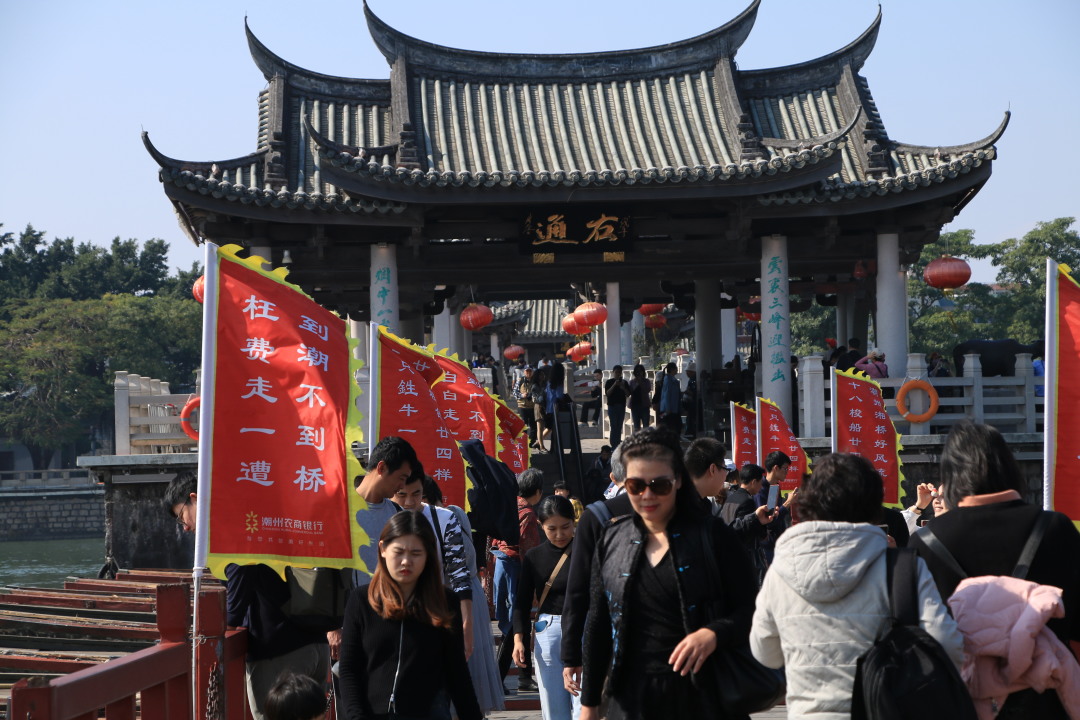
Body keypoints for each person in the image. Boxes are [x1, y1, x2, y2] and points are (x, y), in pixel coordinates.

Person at [750, 453, 963, 719]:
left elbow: (765, 653)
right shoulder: (902, 567)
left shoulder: (781, 569)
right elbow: (947, 644)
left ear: (811, 500)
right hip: (884, 709)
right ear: (874, 502)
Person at [579, 428, 758, 720]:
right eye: (636, 486)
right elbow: (597, 625)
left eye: (659, 485)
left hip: (703, 698)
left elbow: (752, 610)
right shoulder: (612, 539)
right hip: (631, 701)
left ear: (678, 481)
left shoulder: (713, 536)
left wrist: (714, 633)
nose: (647, 495)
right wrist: (588, 706)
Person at [910, 421, 1080, 718]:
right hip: (1044, 699)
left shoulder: (925, 541)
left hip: (957, 701)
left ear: (951, 475)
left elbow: (915, 636)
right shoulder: (1055, 528)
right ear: (1008, 467)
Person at [164, 473, 331, 720]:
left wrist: (230, 622)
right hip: (314, 639)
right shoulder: (259, 514)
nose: (186, 527)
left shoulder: (231, 527)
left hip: (279, 649)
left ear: (195, 498)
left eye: (181, 516)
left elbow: (241, 570)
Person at [338, 511, 482, 720]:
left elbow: (457, 673)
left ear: (428, 555)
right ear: (383, 549)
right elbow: (349, 669)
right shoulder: (361, 600)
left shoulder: (445, 602)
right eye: (399, 552)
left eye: (416, 553)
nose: (406, 561)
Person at [423, 478, 505, 715]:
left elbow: (457, 566)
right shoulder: (455, 514)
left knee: (462, 663)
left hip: (458, 596)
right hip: (466, 593)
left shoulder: (448, 518)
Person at [560, 444, 627, 698]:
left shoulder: (596, 515)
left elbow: (577, 590)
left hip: (608, 641)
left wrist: (571, 655)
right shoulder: (598, 516)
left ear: (613, 477)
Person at [393, 476, 474, 660]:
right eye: (401, 495)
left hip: (434, 610)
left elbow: (459, 572)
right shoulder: (383, 516)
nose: (409, 502)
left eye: (416, 494)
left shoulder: (443, 518)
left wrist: (467, 621)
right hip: (392, 611)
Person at [513, 495, 580, 720]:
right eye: (552, 528)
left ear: (574, 522)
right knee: (553, 705)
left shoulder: (587, 552)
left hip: (582, 627)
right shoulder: (534, 557)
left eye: (565, 527)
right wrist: (518, 639)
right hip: (548, 630)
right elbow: (522, 601)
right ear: (541, 525)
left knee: (584, 703)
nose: (560, 534)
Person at [492, 468, 543, 691]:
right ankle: (498, 678)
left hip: (501, 564)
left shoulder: (508, 504)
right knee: (515, 622)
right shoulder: (529, 514)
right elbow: (529, 550)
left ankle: (523, 677)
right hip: (516, 567)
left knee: (515, 621)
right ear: (538, 492)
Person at [720, 464, 777, 585]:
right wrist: (764, 525)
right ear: (753, 482)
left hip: (728, 553)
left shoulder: (731, 497)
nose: (761, 486)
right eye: (760, 483)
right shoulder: (748, 500)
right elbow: (748, 529)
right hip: (744, 555)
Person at [682, 437, 729, 515]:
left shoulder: (677, 499)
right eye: (725, 469)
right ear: (713, 469)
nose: (725, 476)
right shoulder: (690, 511)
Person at [604, 365, 631, 447]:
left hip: (621, 406)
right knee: (613, 425)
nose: (618, 374)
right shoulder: (609, 382)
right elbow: (608, 393)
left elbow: (628, 394)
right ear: (613, 372)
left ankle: (618, 443)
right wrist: (614, 385)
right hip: (612, 406)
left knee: (619, 426)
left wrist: (623, 387)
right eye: (616, 372)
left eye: (619, 372)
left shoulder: (624, 382)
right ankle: (613, 444)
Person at [652, 362, 681, 435]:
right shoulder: (668, 380)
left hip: (673, 408)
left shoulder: (672, 380)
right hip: (669, 409)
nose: (677, 369)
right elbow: (666, 394)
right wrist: (668, 408)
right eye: (675, 368)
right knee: (669, 427)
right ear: (672, 369)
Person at [518, 366, 538, 447]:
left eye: (530, 371)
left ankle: (532, 442)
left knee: (533, 426)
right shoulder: (520, 380)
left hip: (533, 406)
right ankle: (523, 442)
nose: (528, 373)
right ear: (524, 372)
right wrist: (522, 395)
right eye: (527, 371)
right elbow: (515, 392)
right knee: (523, 425)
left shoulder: (536, 381)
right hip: (522, 406)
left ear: (532, 372)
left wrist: (533, 395)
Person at [628, 364, 652, 431]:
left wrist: (641, 383)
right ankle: (637, 437)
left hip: (645, 405)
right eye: (637, 371)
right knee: (636, 427)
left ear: (643, 372)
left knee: (646, 426)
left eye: (640, 371)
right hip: (635, 406)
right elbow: (630, 392)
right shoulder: (632, 382)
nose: (639, 373)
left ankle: (645, 437)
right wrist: (636, 383)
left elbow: (647, 390)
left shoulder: (646, 381)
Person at [531, 368, 549, 452]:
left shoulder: (546, 384)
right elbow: (537, 398)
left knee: (549, 427)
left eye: (543, 374)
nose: (543, 376)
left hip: (546, 406)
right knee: (540, 427)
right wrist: (544, 393)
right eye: (541, 374)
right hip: (539, 406)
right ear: (537, 376)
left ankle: (538, 442)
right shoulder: (535, 386)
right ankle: (541, 446)